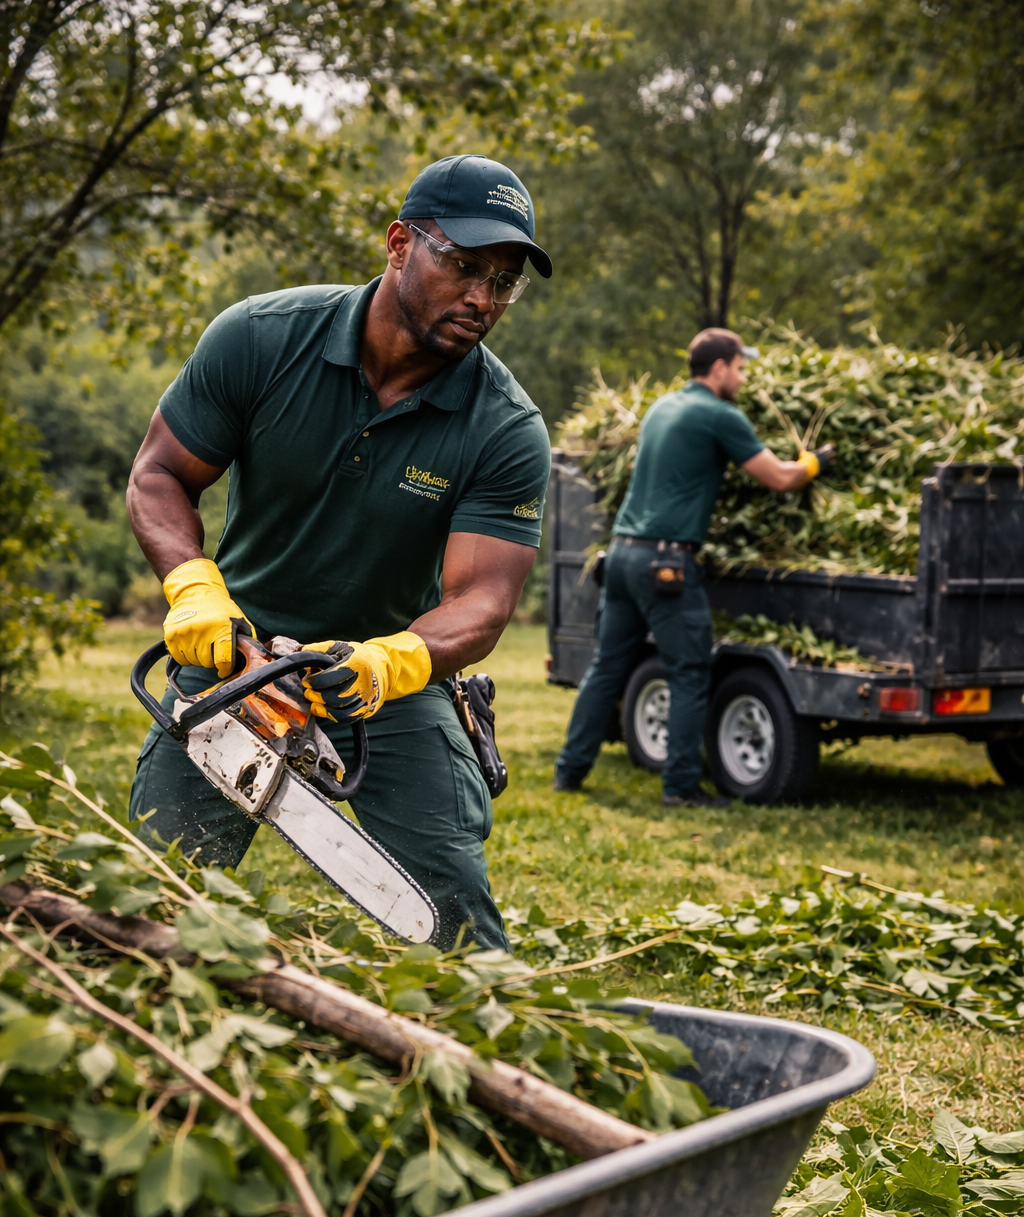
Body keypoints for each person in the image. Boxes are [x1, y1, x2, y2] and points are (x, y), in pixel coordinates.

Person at [126, 154, 552, 951]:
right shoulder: (260, 339)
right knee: (149, 902)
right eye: (464, 266)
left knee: (459, 931)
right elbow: (158, 476)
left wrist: (392, 662)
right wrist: (192, 588)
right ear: (399, 244)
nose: (483, 298)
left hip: (384, 678)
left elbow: (484, 602)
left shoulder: (503, 426)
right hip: (233, 659)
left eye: (503, 281)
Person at [553, 327, 833, 807]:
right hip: (665, 563)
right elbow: (781, 478)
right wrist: (815, 462)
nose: (744, 378)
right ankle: (681, 787)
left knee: (606, 667)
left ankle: (569, 772)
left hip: (621, 554)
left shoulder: (662, 407)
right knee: (689, 671)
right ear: (720, 368)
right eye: (741, 369)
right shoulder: (720, 415)